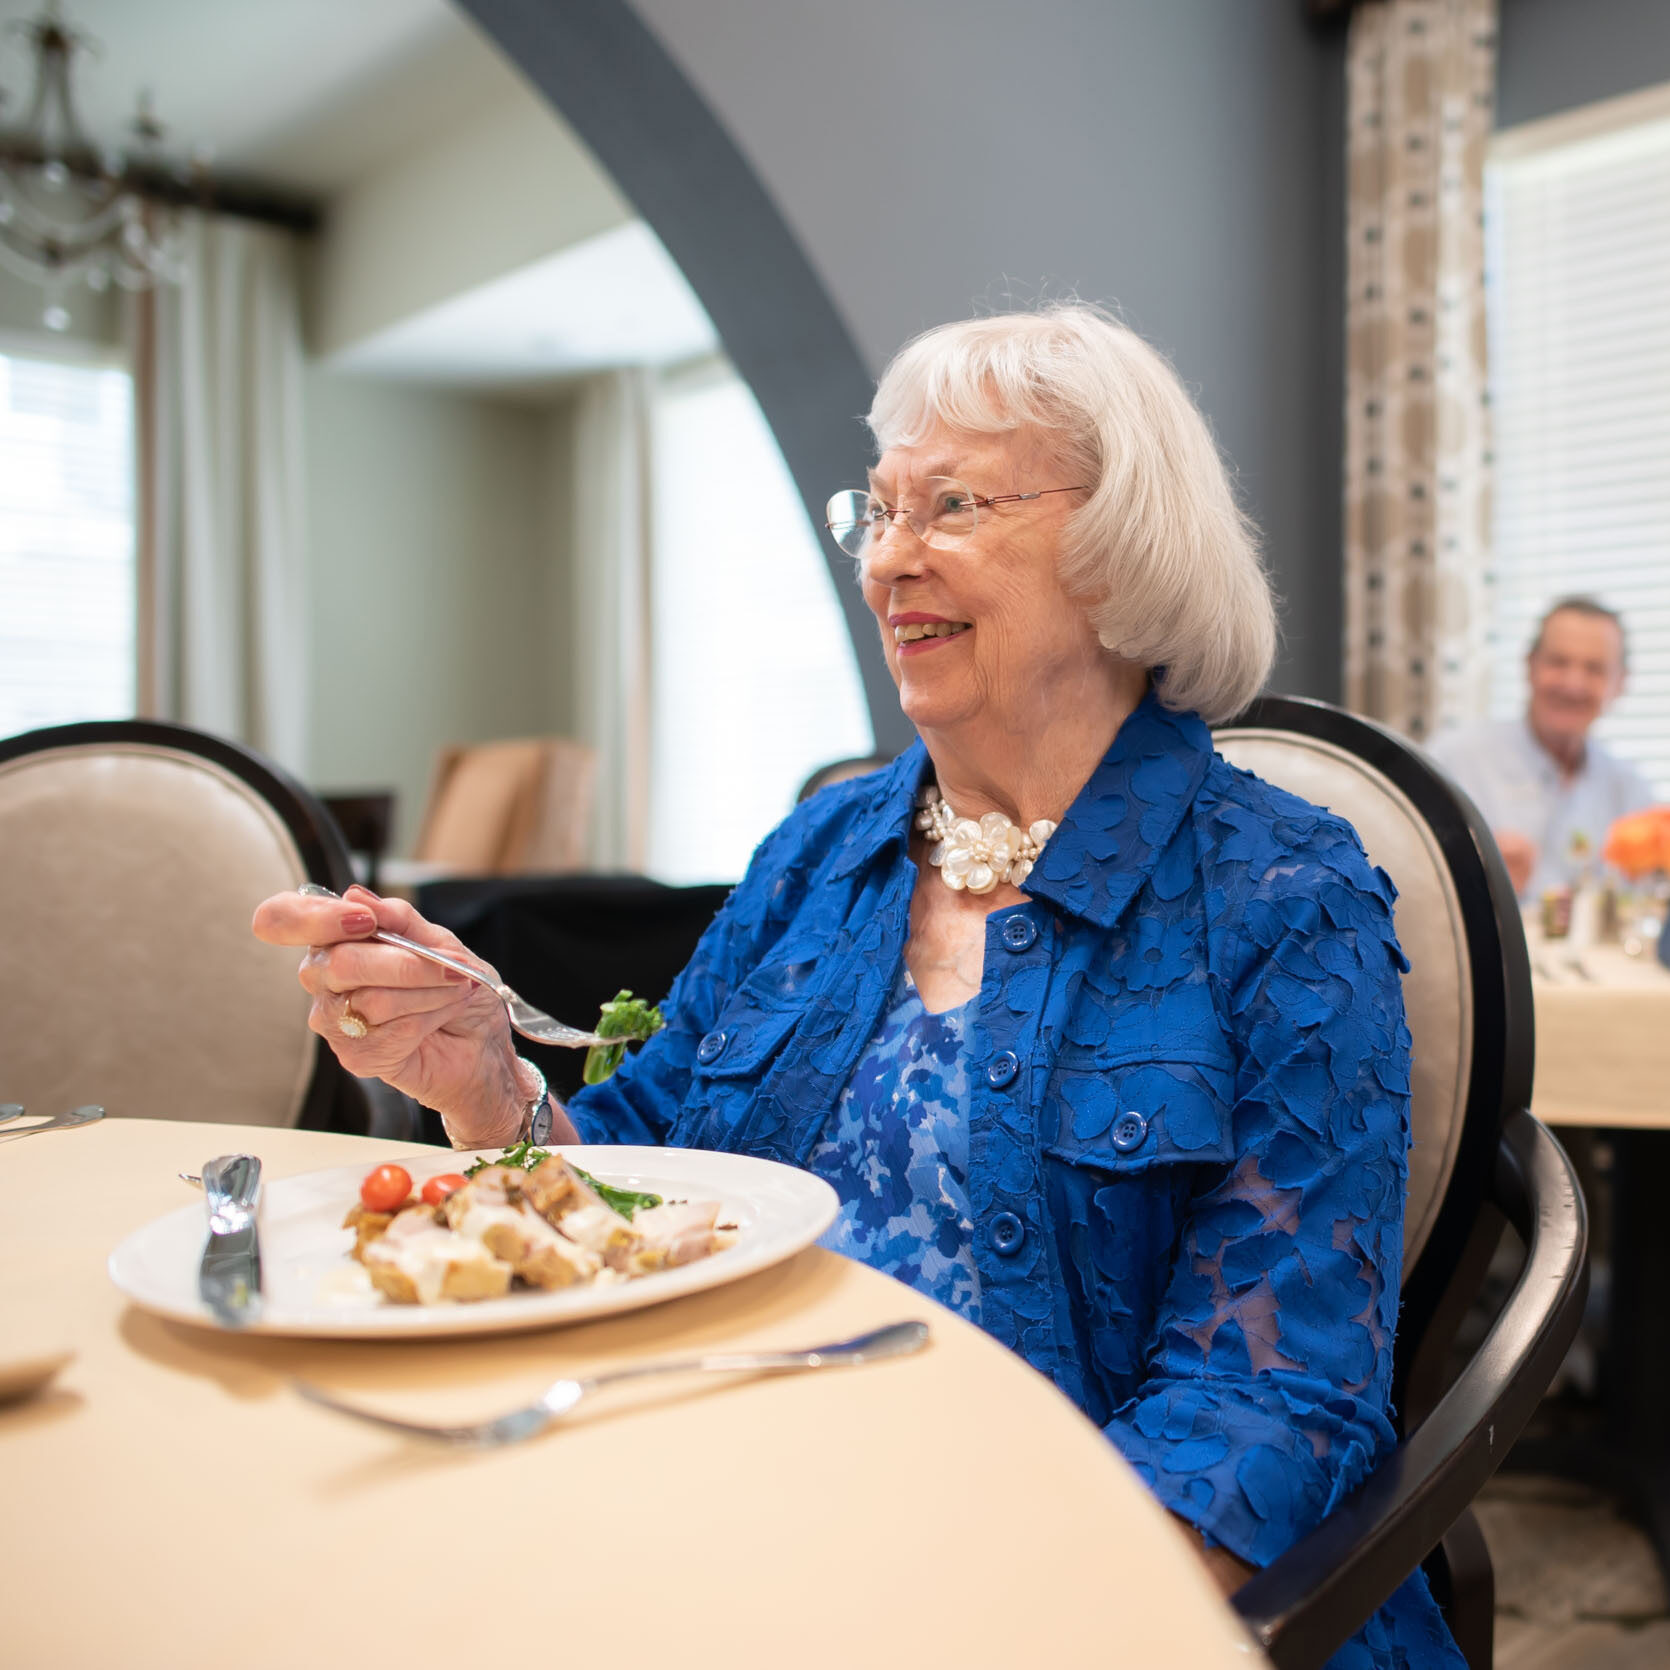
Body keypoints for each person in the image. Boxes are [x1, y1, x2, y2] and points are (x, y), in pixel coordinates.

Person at [255, 305, 1459, 1669]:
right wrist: (484, 1080)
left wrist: (981, 1616)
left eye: (950, 504)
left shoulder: (1282, 896)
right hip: (747, 1522)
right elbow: (652, 1180)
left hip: (1080, 1597)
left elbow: (1274, 1395)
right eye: (876, 511)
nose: (889, 558)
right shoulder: (821, 847)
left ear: (1122, 542)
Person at [1428, 598, 1653, 901]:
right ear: (1529, 665)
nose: (1573, 684)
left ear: (1620, 683)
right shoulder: (1452, 761)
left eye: (1594, 669)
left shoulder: (1632, 794)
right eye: (1558, 662)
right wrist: (1474, 875)